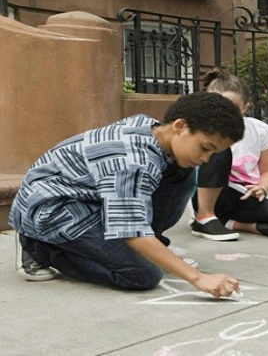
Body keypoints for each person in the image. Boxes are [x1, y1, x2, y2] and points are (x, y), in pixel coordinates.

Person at [10, 92, 245, 297]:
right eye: (205, 148)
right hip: (51, 211)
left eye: (213, 154)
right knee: (143, 275)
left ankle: (151, 248)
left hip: (82, 197)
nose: (205, 159)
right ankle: (38, 247)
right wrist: (197, 278)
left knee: (182, 170)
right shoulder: (133, 163)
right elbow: (132, 232)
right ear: (180, 126)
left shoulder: (151, 127)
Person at [189, 68, 268, 241]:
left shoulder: (259, 130)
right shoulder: (199, 130)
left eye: (232, 108)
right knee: (218, 150)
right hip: (212, 194)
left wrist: (262, 188)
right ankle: (204, 217)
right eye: (218, 106)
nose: (224, 114)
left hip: (244, 196)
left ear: (245, 108)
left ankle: (230, 223)